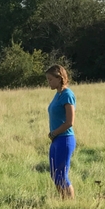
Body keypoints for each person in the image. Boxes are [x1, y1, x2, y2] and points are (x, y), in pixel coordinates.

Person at [45, 65, 76, 200]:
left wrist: (54, 133)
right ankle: (63, 200)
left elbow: (70, 122)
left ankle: (71, 203)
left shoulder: (68, 95)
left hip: (65, 139)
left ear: (59, 78)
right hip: (56, 140)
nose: (49, 82)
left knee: (61, 175)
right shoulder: (58, 94)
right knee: (54, 174)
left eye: (51, 79)